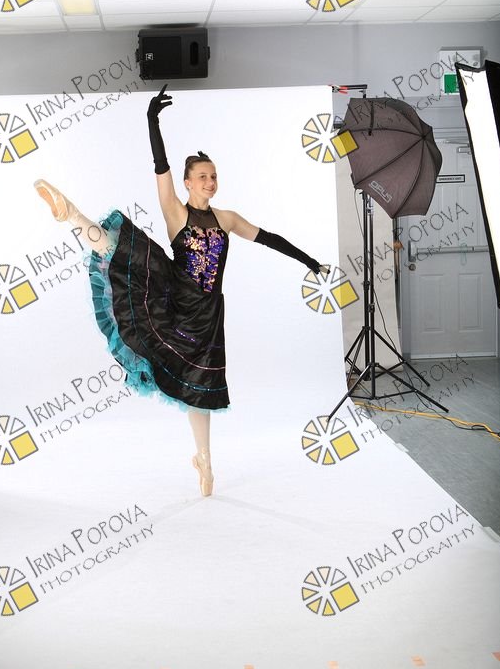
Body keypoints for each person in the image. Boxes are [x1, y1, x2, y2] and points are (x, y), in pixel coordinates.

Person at [34, 85, 326, 497]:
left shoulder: (227, 218)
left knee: (199, 387)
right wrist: (151, 121)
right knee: (125, 250)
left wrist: (309, 261)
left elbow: (269, 238)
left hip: (207, 315)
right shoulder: (176, 211)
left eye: (214, 176)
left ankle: (204, 461)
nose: (210, 181)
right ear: (188, 182)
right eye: (202, 176)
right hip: (171, 295)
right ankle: (72, 214)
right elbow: (160, 167)